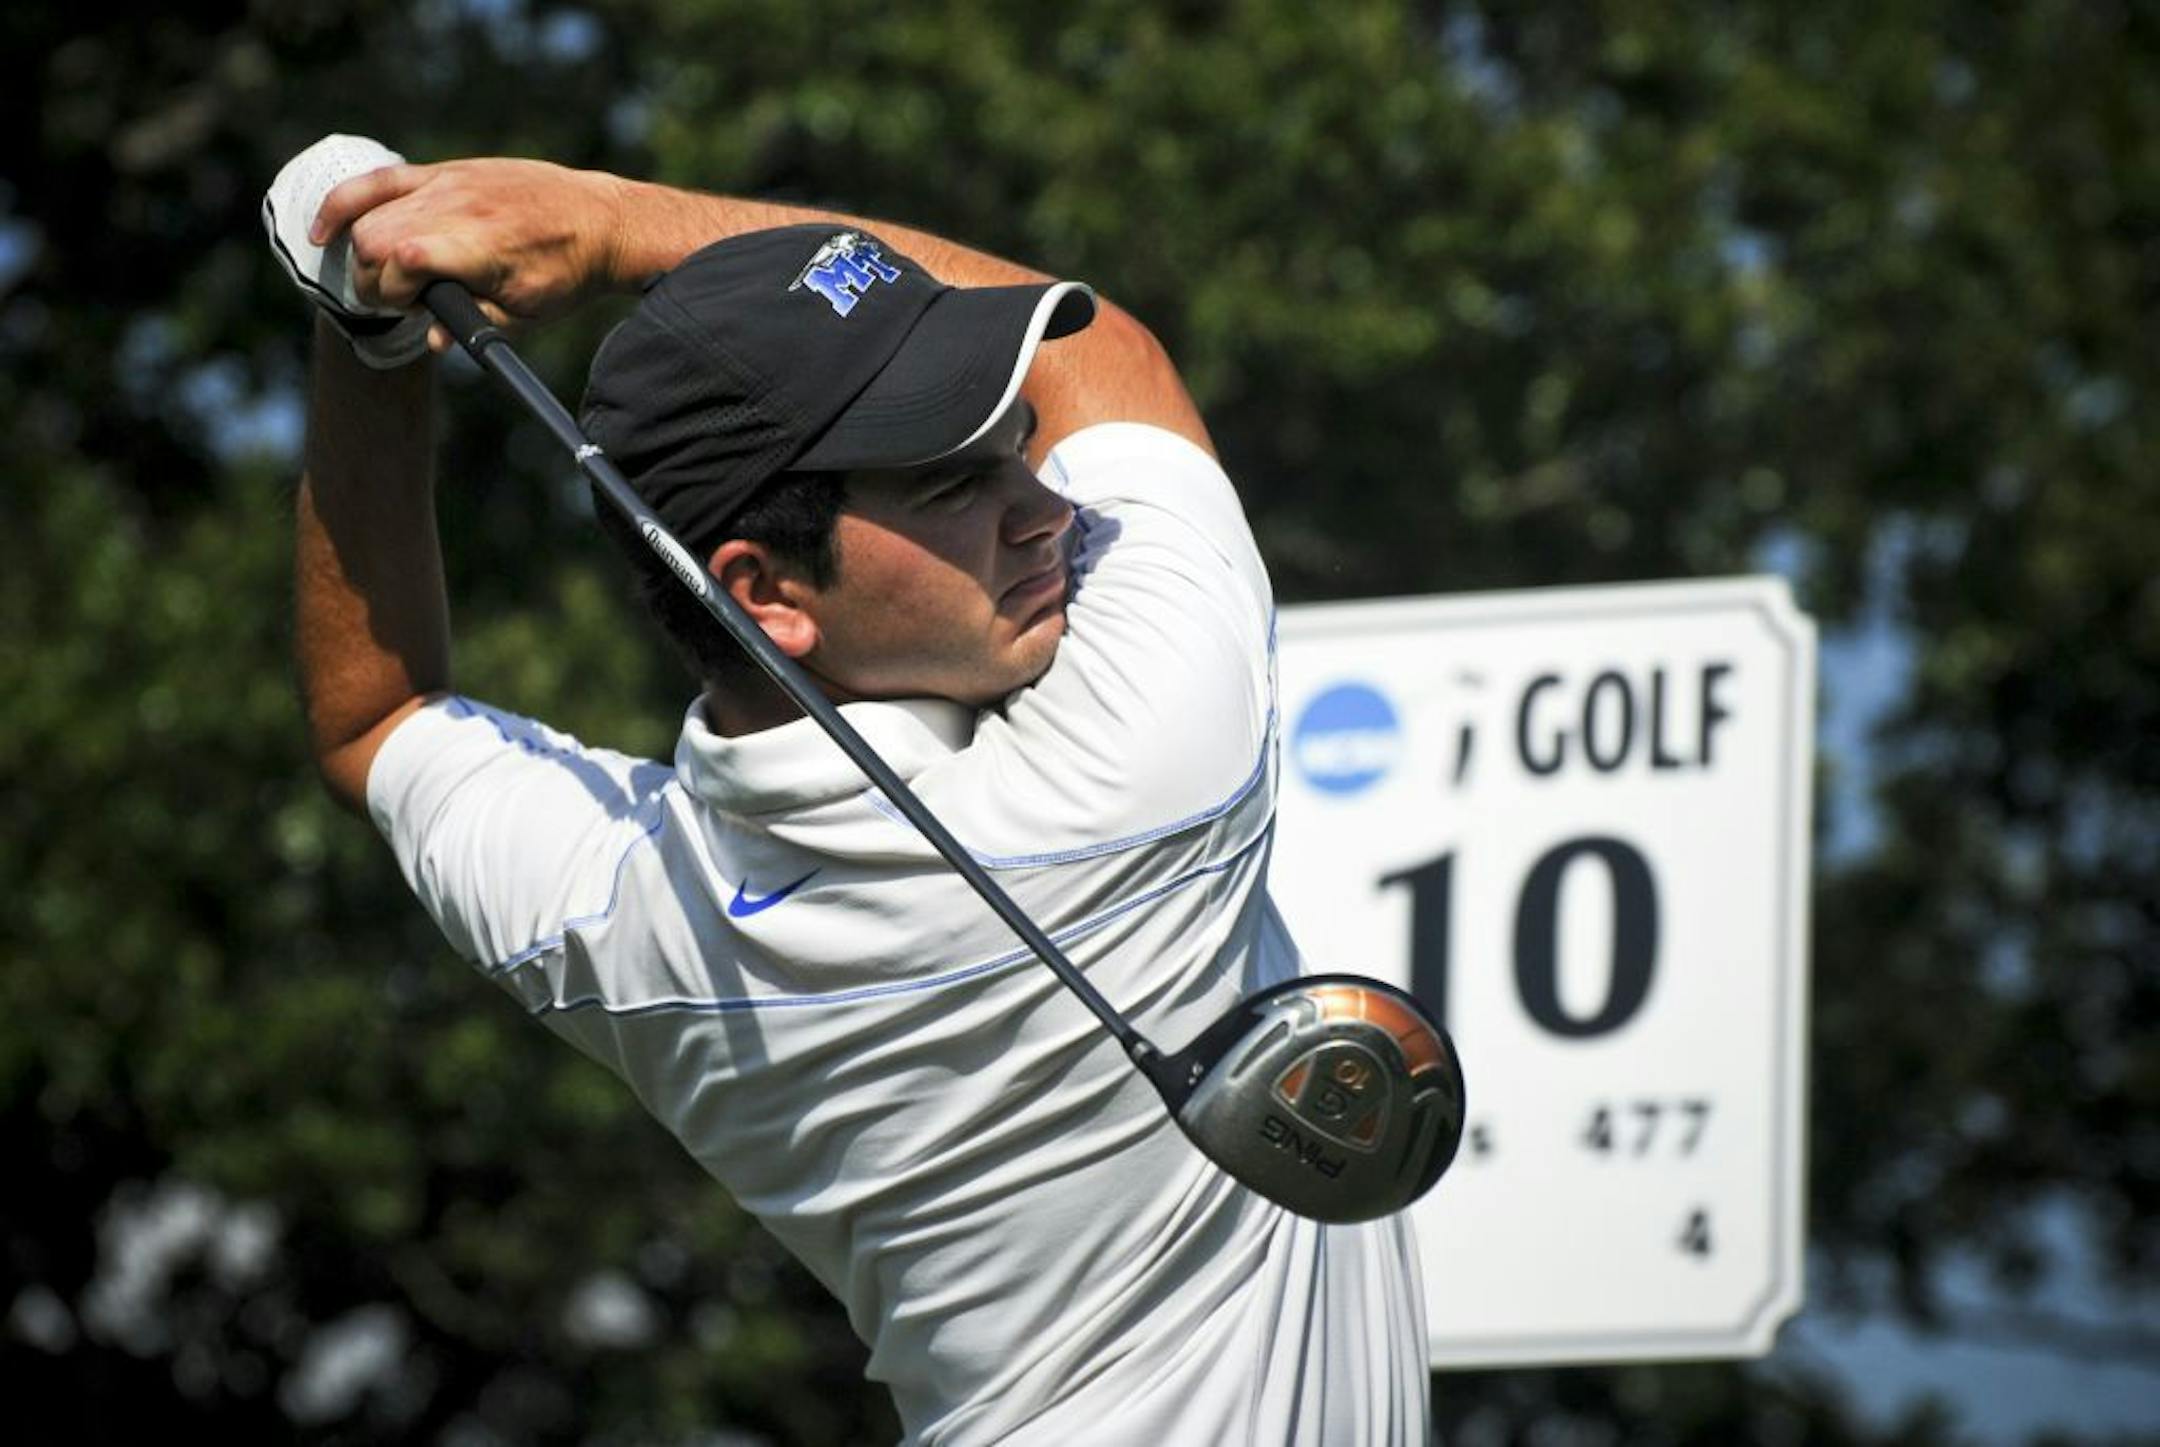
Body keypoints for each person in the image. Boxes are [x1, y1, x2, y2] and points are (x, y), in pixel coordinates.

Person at [272, 136, 1429, 1445]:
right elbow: (1111, 361)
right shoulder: (1145, 758)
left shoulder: (636, 924)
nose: (1042, 507)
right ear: (766, 591)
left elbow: (379, 717)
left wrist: (360, 351)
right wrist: (607, 225)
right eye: (954, 481)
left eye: (1013, 448)